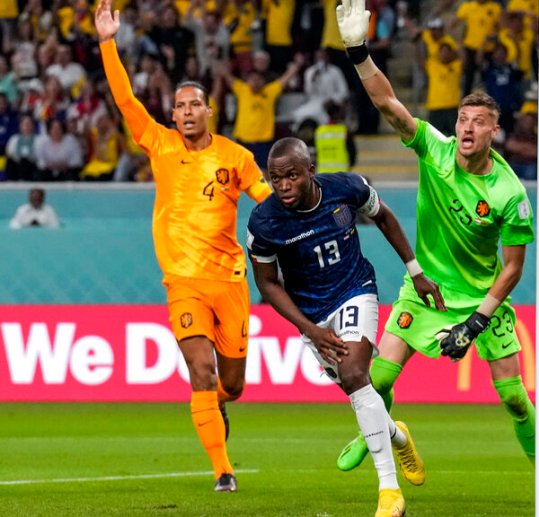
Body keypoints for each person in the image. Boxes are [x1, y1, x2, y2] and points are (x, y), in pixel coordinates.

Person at [334, 0, 539, 487]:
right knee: (376, 380)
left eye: (478, 121)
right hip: (427, 291)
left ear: (494, 131)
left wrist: (476, 321)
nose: (467, 127)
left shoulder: (510, 194)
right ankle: (387, 433)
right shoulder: (434, 149)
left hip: (481, 299)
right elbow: (389, 104)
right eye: (463, 118)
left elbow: (512, 269)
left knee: (514, 397)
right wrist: (358, 51)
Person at [95, 0, 273, 493]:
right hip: (183, 283)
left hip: (230, 282)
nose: (187, 112)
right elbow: (126, 100)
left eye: (195, 104)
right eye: (180, 106)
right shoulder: (160, 144)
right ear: (172, 114)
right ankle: (223, 471)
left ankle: (217, 405)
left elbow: (266, 200)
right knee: (200, 371)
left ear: (210, 111)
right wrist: (108, 43)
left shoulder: (236, 157)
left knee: (231, 385)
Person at [248, 137, 443, 517]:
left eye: (291, 176)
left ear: (311, 170)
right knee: (359, 393)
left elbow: (384, 216)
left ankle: (389, 491)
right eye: (275, 178)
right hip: (312, 315)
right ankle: (398, 435)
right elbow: (267, 284)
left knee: (355, 373)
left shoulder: (347, 188)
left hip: (355, 289)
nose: (283, 185)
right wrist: (310, 329)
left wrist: (415, 271)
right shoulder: (264, 222)